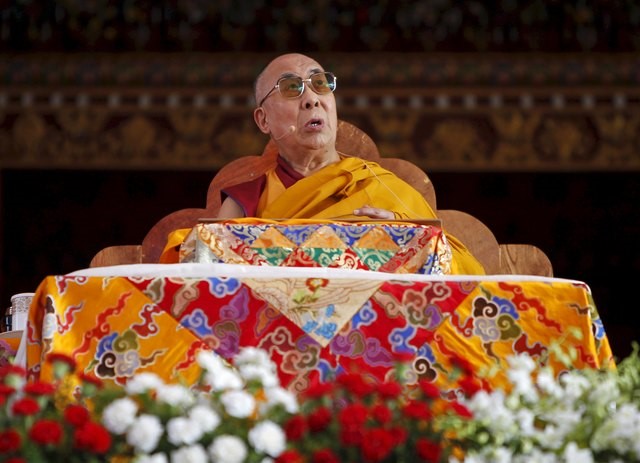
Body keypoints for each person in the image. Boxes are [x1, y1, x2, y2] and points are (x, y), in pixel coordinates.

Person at [162, 53, 484, 275]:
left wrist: (402, 235)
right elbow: (206, 271)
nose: (312, 99)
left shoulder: (380, 186)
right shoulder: (247, 198)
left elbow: (460, 270)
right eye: (292, 88)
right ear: (263, 120)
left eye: (320, 84)